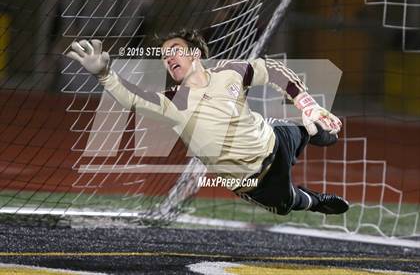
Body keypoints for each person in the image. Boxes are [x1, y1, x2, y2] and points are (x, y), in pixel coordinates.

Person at [66, 29, 349, 216]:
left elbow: (272, 71)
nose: (168, 58)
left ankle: (319, 131)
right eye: (165, 57)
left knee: (317, 129)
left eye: (175, 50)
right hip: (254, 181)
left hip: (273, 138)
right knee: (289, 202)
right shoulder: (172, 102)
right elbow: (131, 98)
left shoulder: (230, 72)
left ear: (196, 54)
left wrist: (307, 104)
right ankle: (316, 201)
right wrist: (104, 74)